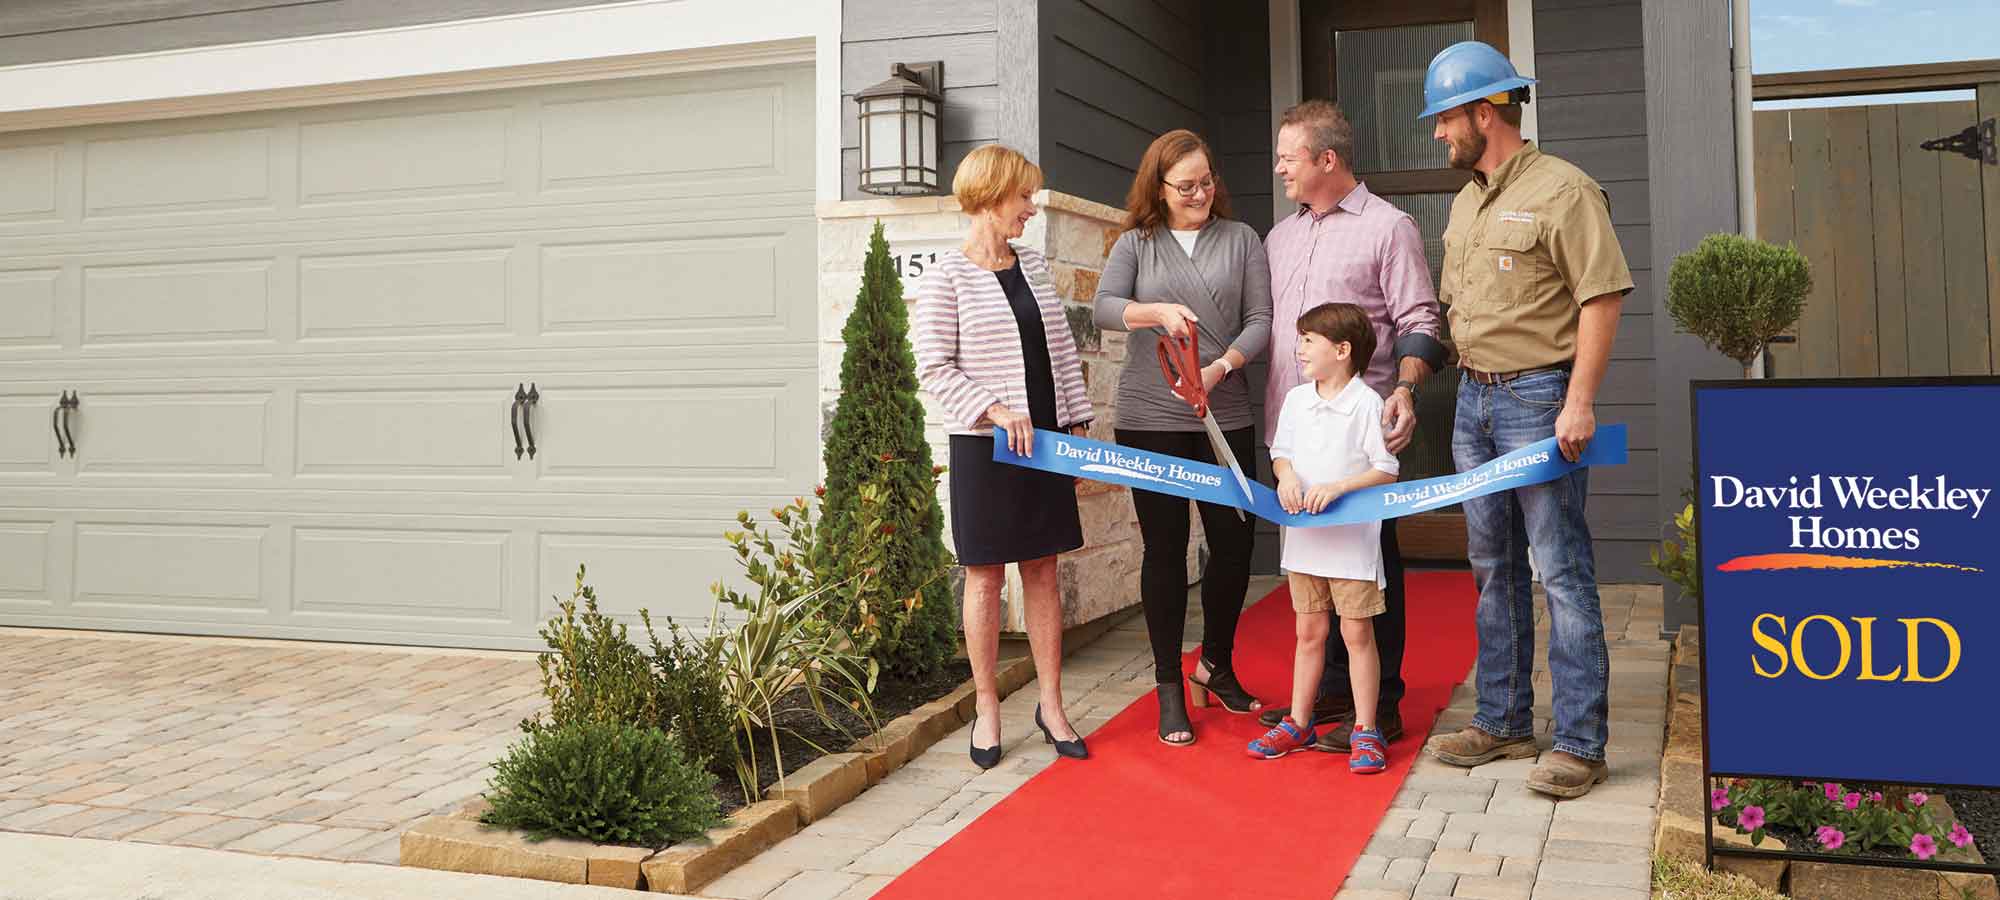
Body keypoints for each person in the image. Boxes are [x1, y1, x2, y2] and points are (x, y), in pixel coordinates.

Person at [1413, 41, 1633, 799]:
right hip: (1473, 400)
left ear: (1487, 111)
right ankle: (1504, 721)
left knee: (1560, 571)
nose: (1440, 135)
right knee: (1491, 568)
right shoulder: (1468, 199)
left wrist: (1579, 400)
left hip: (1540, 400)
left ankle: (1580, 742)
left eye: (1447, 120)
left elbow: (1601, 296)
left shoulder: (1565, 191)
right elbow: (1457, 311)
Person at [1258, 99, 1447, 754]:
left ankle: (1382, 705)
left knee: (1368, 568)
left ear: (1326, 159)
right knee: (1312, 565)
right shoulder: (1279, 238)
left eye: (1289, 156)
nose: (1279, 167)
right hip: (1295, 436)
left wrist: (1405, 390)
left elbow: (1420, 318)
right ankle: (1332, 689)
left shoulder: (1388, 228)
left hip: (1357, 438)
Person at [913, 143, 1095, 769]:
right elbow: (933, 368)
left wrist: (1074, 427)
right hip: (986, 447)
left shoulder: (1035, 265)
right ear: (991, 197)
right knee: (986, 575)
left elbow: (1062, 353)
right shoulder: (946, 275)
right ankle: (988, 705)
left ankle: (1052, 703)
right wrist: (994, 410)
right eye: (1023, 197)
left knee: (1043, 568)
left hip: (1044, 440)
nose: (1030, 208)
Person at [1092, 129, 1273, 745]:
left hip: (1225, 414)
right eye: (1185, 186)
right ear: (1160, 188)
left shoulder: (1242, 239)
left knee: (1234, 544)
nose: (1200, 193)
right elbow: (1104, 306)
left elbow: (1261, 321)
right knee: (1164, 549)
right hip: (1150, 417)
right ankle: (1170, 686)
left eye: (1206, 181)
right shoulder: (1137, 243)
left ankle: (1215, 663)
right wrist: (1158, 312)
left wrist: (1222, 368)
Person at [1249, 303, 1400, 769]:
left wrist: (1339, 488)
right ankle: (1297, 720)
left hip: (1352, 547)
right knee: (1308, 632)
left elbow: (1386, 469)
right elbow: (1281, 452)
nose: (1299, 349)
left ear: (1342, 349)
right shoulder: (1296, 400)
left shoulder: (1367, 403)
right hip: (1305, 542)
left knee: (1356, 633)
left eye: (1309, 340)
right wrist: (1286, 476)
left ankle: (1366, 728)